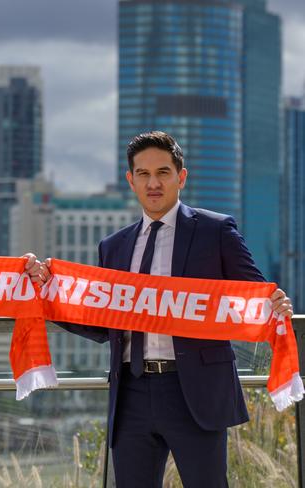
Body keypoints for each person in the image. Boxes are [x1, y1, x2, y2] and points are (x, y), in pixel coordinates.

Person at [32, 131, 293, 487]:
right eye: (143, 174)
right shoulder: (114, 246)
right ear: (131, 180)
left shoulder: (215, 230)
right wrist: (48, 293)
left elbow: (255, 295)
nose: (153, 183)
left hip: (195, 393)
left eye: (163, 172)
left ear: (180, 177)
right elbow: (102, 323)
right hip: (131, 395)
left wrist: (277, 303)